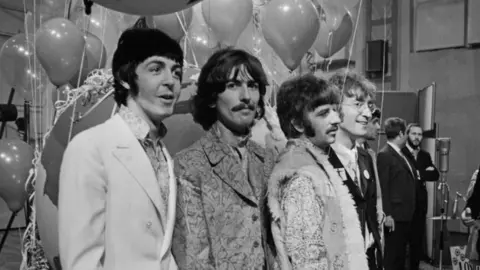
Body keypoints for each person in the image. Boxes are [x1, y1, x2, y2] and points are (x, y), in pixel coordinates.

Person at [58, 27, 183, 270]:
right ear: (125, 76)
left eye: (176, 72)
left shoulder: (162, 152)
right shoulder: (90, 147)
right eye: (156, 69)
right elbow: (80, 261)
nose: (171, 81)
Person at [172, 48, 277, 269]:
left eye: (253, 86)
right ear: (212, 99)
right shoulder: (189, 164)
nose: (246, 96)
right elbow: (194, 257)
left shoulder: (266, 158)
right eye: (233, 86)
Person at [268, 74, 368, 269]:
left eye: (335, 110)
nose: (336, 119)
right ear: (297, 123)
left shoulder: (314, 163)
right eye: (323, 113)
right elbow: (307, 260)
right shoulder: (300, 177)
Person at [327, 70, 383, 269]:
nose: (368, 113)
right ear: (334, 108)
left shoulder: (365, 158)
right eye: (358, 104)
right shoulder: (320, 161)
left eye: (369, 105)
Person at [377, 117, 417, 270]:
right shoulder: (385, 155)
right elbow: (383, 186)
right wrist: (387, 214)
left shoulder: (401, 154)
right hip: (395, 216)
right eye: (407, 133)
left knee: (401, 256)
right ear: (401, 133)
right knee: (393, 257)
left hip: (405, 215)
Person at [401, 123, 439, 270]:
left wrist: (418, 174)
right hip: (404, 204)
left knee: (417, 242)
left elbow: (435, 174)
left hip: (420, 205)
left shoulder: (424, 155)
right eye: (414, 134)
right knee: (402, 243)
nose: (417, 137)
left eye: (419, 134)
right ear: (407, 135)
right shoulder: (401, 152)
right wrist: (423, 173)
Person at [357, 107, 385, 251]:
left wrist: (380, 212)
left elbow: (376, 193)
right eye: (375, 122)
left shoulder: (370, 153)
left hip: (372, 230)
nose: (379, 127)